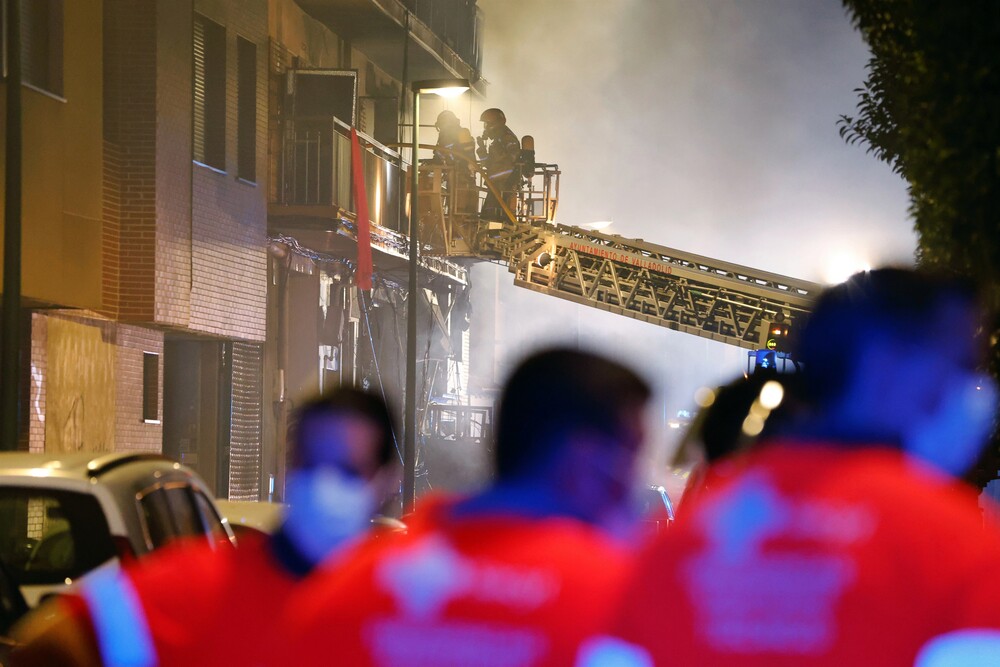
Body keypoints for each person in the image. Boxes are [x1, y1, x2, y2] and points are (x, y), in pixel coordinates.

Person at [580, 268, 1000, 667]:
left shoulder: (678, 542)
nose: (975, 392)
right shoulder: (961, 551)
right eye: (962, 364)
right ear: (884, 364)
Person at [283, 347, 652, 666]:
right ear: (583, 459)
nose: (633, 481)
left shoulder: (349, 587)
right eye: (633, 455)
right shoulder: (617, 601)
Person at [11, 387, 401, 667]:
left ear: (388, 480)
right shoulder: (198, 588)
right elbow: (51, 644)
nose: (324, 484)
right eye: (311, 463)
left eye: (348, 470)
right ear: (287, 465)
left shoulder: (419, 608)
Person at [476, 107, 521, 222]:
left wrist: (509, 181)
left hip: (504, 185)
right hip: (496, 185)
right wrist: (481, 149)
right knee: (488, 217)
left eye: (487, 124)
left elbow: (513, 160)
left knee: (494, 218)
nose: (485, 128)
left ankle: (495, 236)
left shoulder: (507, 138)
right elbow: (490, 164)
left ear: (495, 124)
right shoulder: (497, 141)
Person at [432, 110, 477, 215]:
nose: (441, 129)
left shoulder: (463, 133)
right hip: (452, 176)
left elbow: (468, 156)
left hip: (462, 177)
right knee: (453, 206)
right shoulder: (445, 138)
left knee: (460, 208)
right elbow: (439, 155)